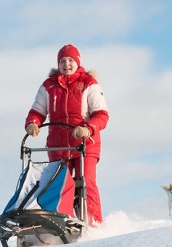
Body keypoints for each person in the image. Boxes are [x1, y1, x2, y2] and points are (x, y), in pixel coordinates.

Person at [24, 44, 109, 225]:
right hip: (58, 145)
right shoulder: (49, 86)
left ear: (78, 62)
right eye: (63, 61)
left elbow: (101, 114)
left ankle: (94, 224)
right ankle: (60, 222)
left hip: (85, 143)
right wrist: (33, 123)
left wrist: (88, 128)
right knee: (58, 185)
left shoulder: (88, 83)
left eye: (71, 60)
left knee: (86, 181)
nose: (67, 64)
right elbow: (37, 111)